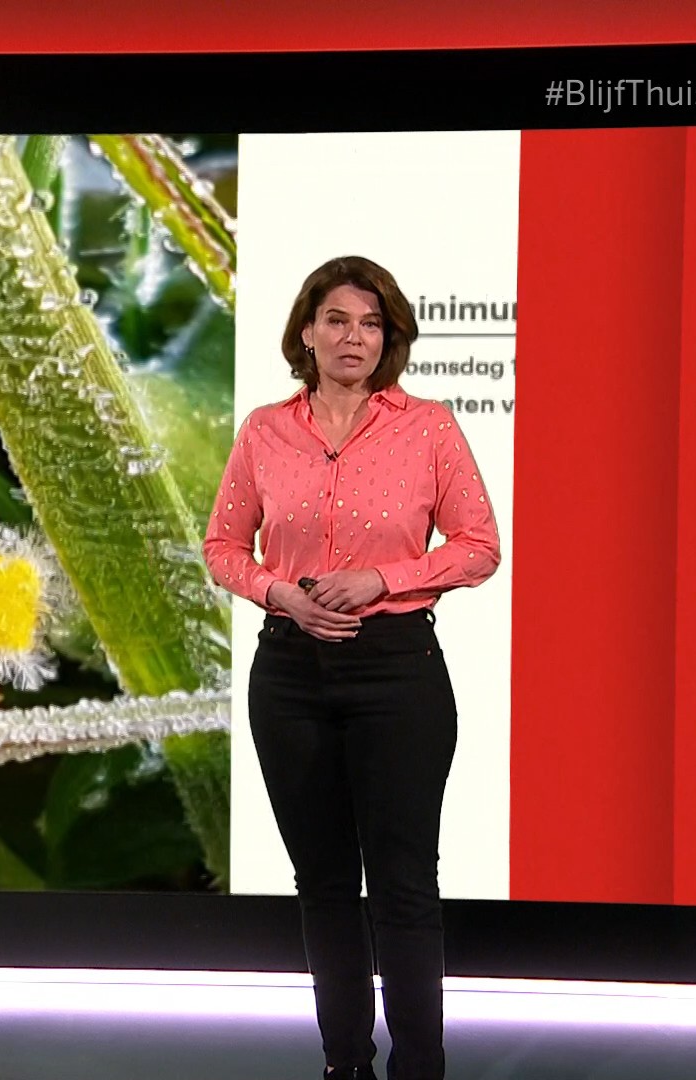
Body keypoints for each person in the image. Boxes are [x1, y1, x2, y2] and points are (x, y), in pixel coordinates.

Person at [203, 255, 501, 1080]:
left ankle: (420, 1068)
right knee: (324, 884)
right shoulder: (266, 430)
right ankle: (346, 1065)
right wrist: (279, 595)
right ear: (307, 332)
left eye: (372, 324)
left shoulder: (428, 427)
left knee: (404, 884)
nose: (354, 337)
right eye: (337, 320)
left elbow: (479, 546)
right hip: (291, 674)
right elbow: (222, 545)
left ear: (388, 339)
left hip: (397, 672)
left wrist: (383, 579)